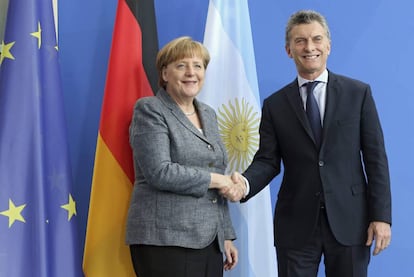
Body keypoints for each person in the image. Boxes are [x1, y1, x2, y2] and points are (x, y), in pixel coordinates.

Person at [232, 10, 392, 277]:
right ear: (288, 50)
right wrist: (245, 183)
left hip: (350, 222)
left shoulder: (358, 94)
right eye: (300, 41)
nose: (309, 47)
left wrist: (382, 216)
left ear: (328, 45)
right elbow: (267, 161)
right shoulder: (275, 105)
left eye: (316, 39)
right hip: (295, 225)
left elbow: (376, 160)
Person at [125, 36, 241, 277]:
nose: (191, 72)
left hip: (209, 241)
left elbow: (215, 170)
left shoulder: (208, 113)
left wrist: (225, 235)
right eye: (181, 65)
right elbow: (160, 172)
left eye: (198, 66)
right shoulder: (150, 109)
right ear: (165, 74)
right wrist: (219, 180)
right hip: (165, 240)